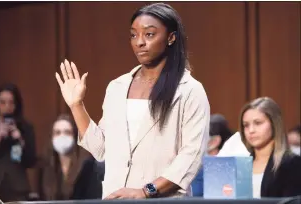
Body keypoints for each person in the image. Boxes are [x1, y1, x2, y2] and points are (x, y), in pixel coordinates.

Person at [55, 3, 210, 199]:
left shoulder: (190, 90)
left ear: (171, 37)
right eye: (133, 35)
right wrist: (76, 105)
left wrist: (146, 191)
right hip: (115, 199)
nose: (139, 42)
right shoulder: (117, 87)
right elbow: (101, 149)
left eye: (149, 34)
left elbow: (191, 157)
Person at [0, 83, 37, 202]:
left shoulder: (25, 128)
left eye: (11, 102)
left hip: (17, 188)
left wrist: (19, 140)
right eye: (2, 102)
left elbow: (30, 161)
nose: (7, 106)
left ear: (16, 105)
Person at [239, 97, 301, 198]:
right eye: (246, 125)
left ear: (274, 124)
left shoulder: (292, 163)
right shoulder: (240, 165)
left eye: (258, 123)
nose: (251, 130)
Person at [37, 114, 103, 200]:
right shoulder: (45, 166)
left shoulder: (88, 165)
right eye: (57, 132)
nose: (62, 136)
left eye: (67, 132)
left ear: (75, 135)